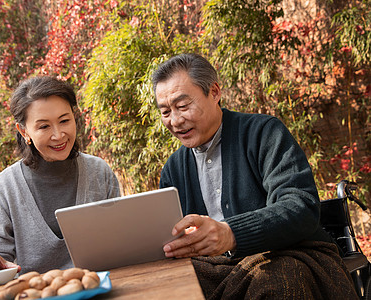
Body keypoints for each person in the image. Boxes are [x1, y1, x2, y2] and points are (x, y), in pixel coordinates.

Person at [152, 53, 357, 299]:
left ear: (215, 92)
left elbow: (300, 208)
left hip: (289, 255)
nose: (175, 121)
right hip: (217, 269)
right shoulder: (174, 168)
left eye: (183, 106)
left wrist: (231, 233)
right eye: (165, 112)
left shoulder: (264, 133)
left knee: (276, 281)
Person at [0, 76, 120, 287]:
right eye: (44, 127)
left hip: (99, 289)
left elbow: (119, 239)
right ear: (25, 132)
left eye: (64, 121)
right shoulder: (2, 189)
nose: (59, 135)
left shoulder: (99, 172)